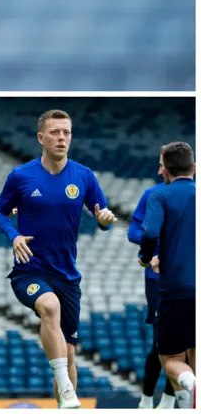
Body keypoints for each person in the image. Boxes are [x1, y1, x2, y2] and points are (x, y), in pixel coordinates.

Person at [0, 110, 117, 410]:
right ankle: (66, 390)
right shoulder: (21, 176)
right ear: (41, 138)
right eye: (55, 132)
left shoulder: (84, 176)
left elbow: (103, 216)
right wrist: (14, 236)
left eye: (66, 132)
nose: (62, 138)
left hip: (67, 276)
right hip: (29, 270)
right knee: (49, 306)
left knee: (69, 356)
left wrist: (104, 218)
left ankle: (64, 401)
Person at [139, 142, 196, 409]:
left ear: (165, 170)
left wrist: (146, 256)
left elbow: (149, 232)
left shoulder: (159, 195)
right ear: (193, 167)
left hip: (177, 291)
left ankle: (190, 383)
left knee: (171, 359)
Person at [128, 146, 176, 409]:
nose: (159, 170)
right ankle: (146, 400)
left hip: (186, 276)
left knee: (186, 342)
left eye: (162, 165)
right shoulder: (152, 195)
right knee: (161, 340)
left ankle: (168, 402)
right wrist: (158, 245)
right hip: (156, 277)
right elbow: (134, 231)